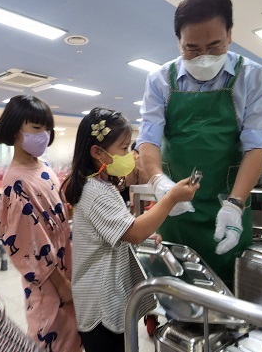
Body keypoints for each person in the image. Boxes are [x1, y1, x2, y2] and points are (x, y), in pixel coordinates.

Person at [136, 0, 262, 286]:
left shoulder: (251, 76)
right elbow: (148, 138)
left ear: (230, 35)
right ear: (178, 42)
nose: (203, 56)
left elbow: (256, 145)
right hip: (176, 206)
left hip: (229, 201)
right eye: (192, 48)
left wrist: (235, 204)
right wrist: (159, 181)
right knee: (178, 290)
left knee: (232, 295)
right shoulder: (159, 80)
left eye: (214, 46)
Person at [63, 107, 199, 351]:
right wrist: (171, 198)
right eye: (124, 148)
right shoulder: (95, 191)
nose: (130, 155)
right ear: (97, 152)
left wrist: (144, 236)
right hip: (100, 304)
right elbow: (133, 231)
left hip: (107, 296)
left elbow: (122, 232)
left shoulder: (102, 186)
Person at [0, 95, 81, 352]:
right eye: (36, 128)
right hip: (50, 283)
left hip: (68, 268)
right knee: (53, 337)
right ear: (15, 130)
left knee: (73, 338)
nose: (44, 134)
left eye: (47, 128)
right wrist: (61, 284)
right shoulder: (15, 183)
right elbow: (29, 245)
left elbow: (56, 214)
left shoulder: (43, 167)